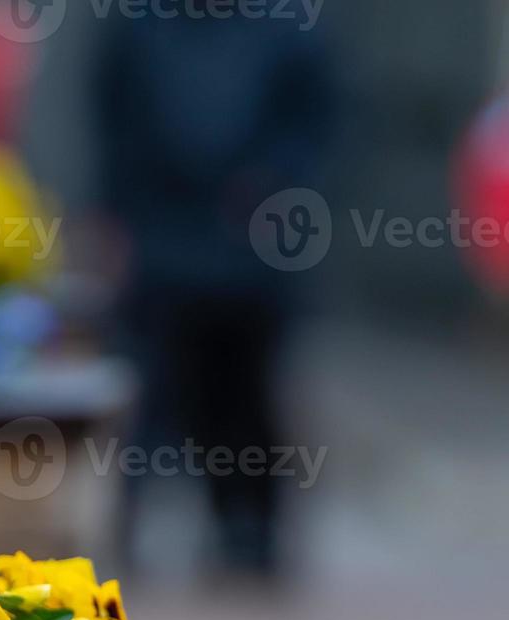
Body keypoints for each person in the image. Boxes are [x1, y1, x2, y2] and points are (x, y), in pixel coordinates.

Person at [94, 6, 332, 576]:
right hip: (161, 233)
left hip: (252, 239)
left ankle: (248, 525)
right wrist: (114, 213)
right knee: (147, 387)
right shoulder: (140, 23)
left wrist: (275, 190)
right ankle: (126, 520)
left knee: (243, 388)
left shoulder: (288, 24)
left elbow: (315, 122)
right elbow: (113, 116)